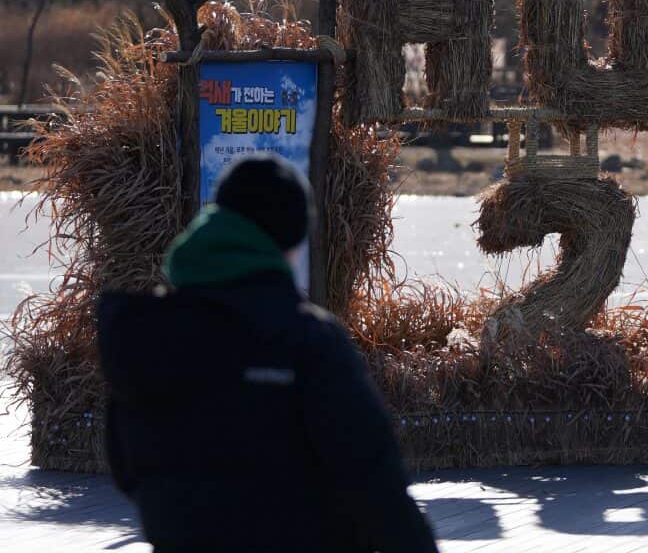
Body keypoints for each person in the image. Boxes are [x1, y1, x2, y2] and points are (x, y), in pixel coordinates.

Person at [97, 154, 437, 553]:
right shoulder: (307, 340)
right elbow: (374, 478)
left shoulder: (147, 331)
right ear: (291, 240)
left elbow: (126, 466)